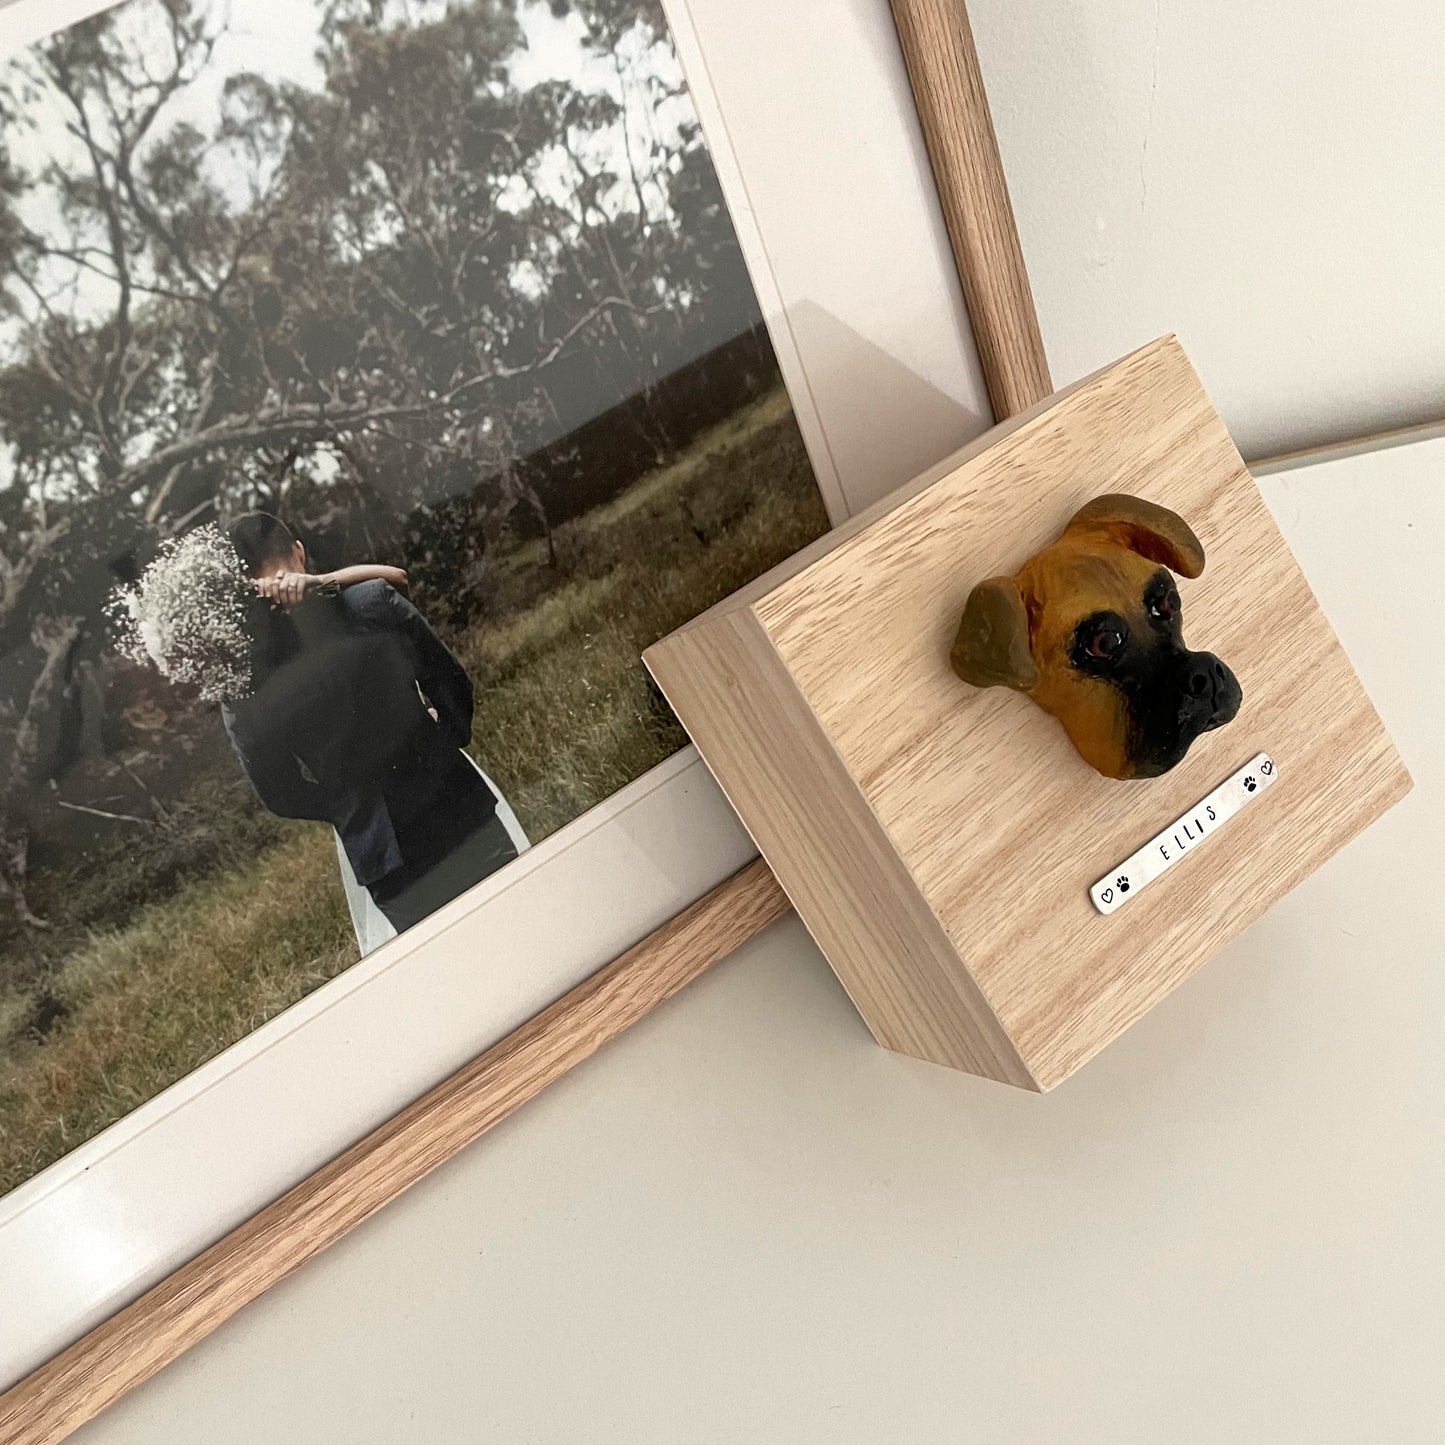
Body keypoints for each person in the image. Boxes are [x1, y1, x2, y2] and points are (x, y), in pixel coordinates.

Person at [221, 512, 526, 948]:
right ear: (299, 551)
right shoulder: (368, 601)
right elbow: (449, 679)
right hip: (454, 797)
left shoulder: (241, 686)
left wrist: (347, 805)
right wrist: (446, 739)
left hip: (383, 850)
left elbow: (279, 794)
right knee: (524, 918)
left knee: (451, 966)